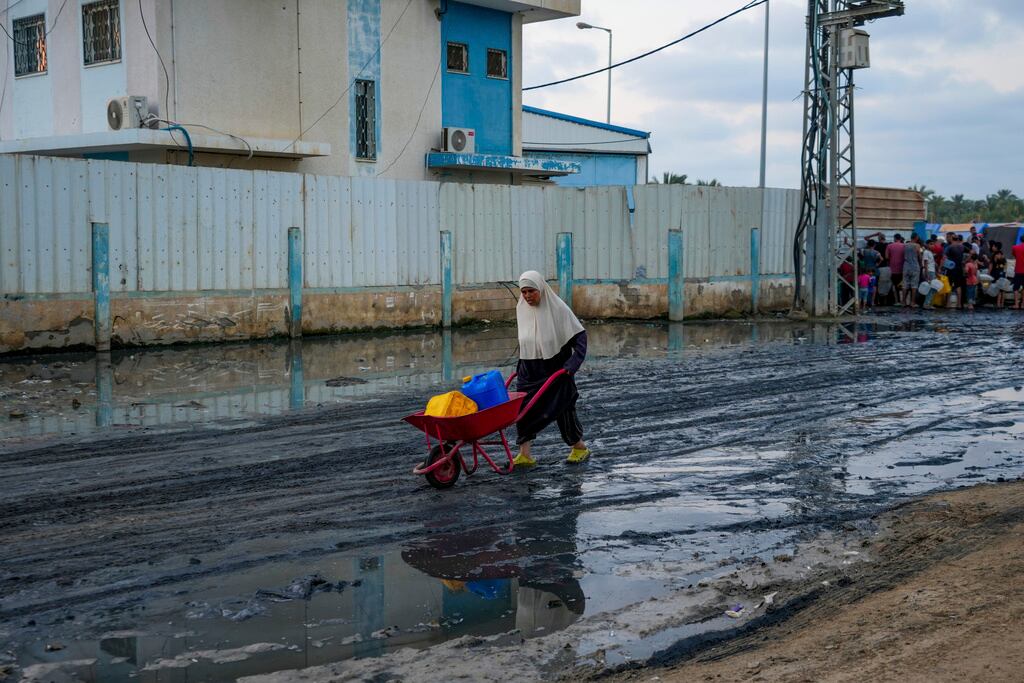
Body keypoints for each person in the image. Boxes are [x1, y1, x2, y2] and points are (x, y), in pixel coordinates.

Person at [512, 271, 591, 466]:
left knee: (563, 408)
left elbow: (580, 339)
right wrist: (520, 366)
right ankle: (525, 454)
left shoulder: (559, 310)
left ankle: (579, 447)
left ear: (541, 289)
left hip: (555, 369)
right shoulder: (521, 309)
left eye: (532, 291)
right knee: (522, 410)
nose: (528, 296)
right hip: (529, 370)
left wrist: (571, 366)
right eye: (524, 292)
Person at [945, 234, 966, 310]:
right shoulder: (962, 247)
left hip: (951, 268)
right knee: (958, 286)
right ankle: (959, 304)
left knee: (949, 285)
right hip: (959, 268)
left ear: (951, 239)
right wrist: (964, 261)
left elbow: (944, 257)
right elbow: (972, 252)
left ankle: (947, 304)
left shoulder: (949, 247)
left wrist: (941, 267)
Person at [901, 234, 922, 307]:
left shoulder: (905, 245)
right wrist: (921, 265)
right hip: (915, 266)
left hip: (906, 266)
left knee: (905, 284)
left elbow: (903, 255)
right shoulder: (917, 246)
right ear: (916, 238)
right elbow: (919, 256)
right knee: (914, 285)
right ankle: (912, 302)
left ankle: (903, 302)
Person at [886, 234, 906, 303]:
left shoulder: (889, 246)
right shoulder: (904, 246)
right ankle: (903, 300)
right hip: (902, 269)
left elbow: (886, 257)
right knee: (902, 285)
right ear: (900, 238)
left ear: (894, 238)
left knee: (894, 285)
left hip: (892, 269)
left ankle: (897, 301)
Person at [921, 238, 938, 310]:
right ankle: (927, 304)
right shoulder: (926, 252)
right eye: (931, 244)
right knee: (932, 288)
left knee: (933, 288)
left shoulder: (930, 252)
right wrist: (927, 274)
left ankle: (928, 303)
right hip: (929, 271)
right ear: (927, 245)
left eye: (933, 244)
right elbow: (925, 263)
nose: (932, 246)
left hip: (932, 271)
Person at [1012, 235, 1024, 310]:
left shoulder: (1015, 247)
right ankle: (1023, 304)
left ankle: (1016, 304)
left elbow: (1014, 255)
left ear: (1020, 240)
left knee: (1016, 288)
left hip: (1018, 270)